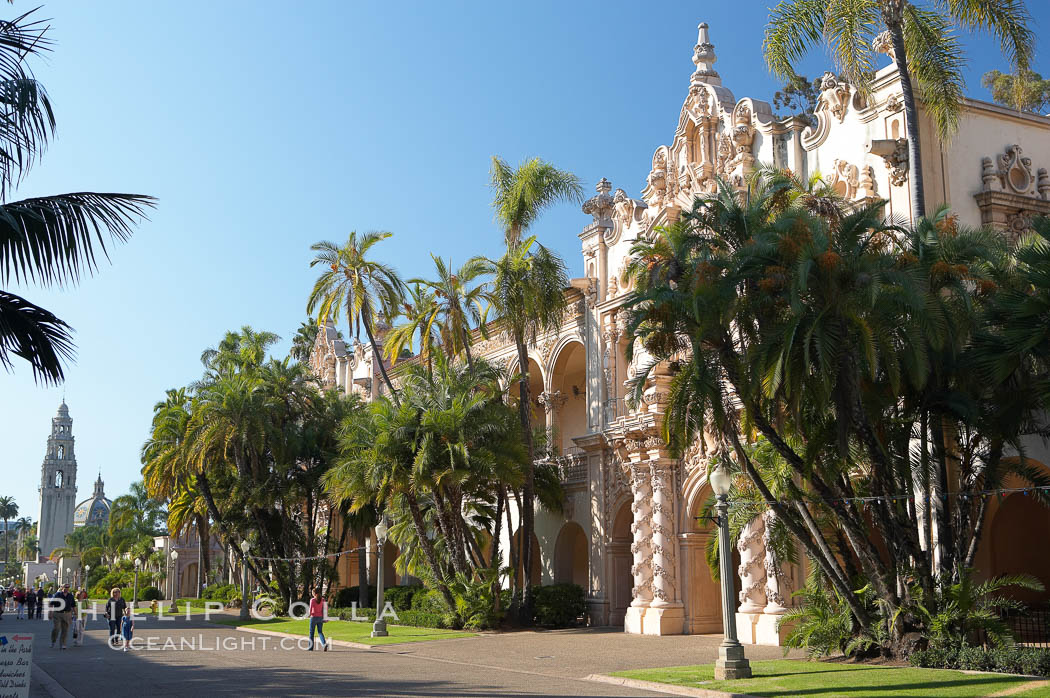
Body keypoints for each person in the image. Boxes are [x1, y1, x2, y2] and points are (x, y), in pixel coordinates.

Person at [50, 584, 75, 650]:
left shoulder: (70, 596)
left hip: (67, 614)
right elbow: (51, 604)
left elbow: (73, 605)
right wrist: (50, 613)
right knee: (56, 628)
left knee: (65, 630)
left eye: (68, 587)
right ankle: (53, 640)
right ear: (62, 588)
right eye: (65, 587)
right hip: (57, 614)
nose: (67, 588)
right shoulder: (57, 595)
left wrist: (76, 614)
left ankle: (63, 644)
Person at [307, 586, 328, 651]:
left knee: (311, 633)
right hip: (320, 618)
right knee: (320, 632)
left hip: (313, 618)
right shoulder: (323, 600)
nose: (312, 594)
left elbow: (310, 609)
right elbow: (325, 609)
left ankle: (310, 648)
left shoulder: (312, 600)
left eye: (312, 593)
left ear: (315, 594)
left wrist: (308, 615)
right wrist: (325, 618)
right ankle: (324, 644)